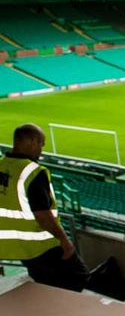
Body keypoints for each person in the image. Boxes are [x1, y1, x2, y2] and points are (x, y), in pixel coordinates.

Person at [0, 123, 89, 291]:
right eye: (41, 143)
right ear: (32, 142)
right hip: (40, 245)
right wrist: (64, 240)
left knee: (45, 282)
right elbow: (43, 215)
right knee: (79, 277)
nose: (42, 149)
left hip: (14, 246)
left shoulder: (2, 165)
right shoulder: (32, 172)